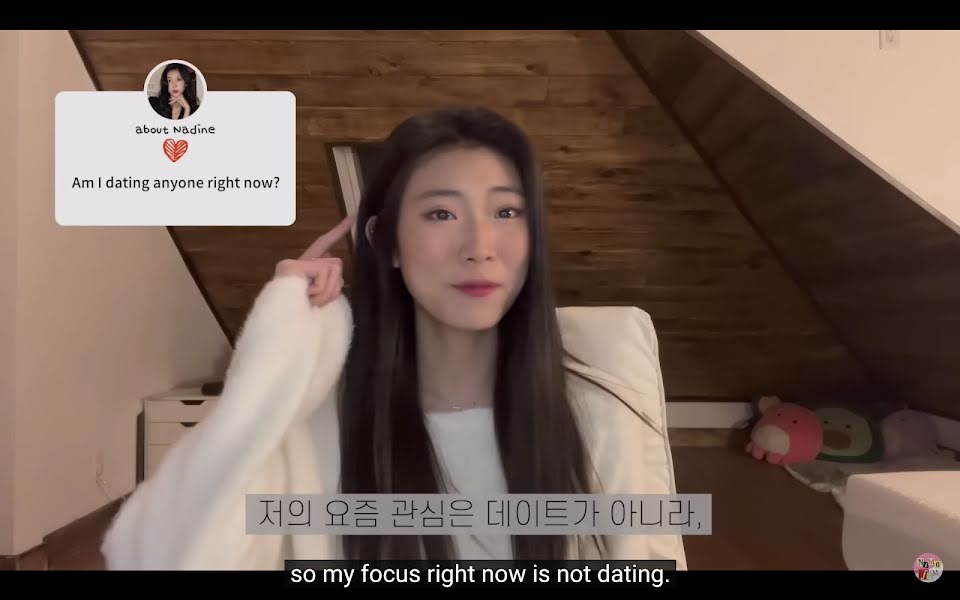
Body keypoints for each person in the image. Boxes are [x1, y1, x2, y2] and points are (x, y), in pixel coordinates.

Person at [101, 107, 687, 569]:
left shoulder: (597, 411)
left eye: (507, 213)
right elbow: (156, 556)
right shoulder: (315, 425)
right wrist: (275, 348)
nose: (480, 246)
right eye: (441, 214)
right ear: (388, 243)